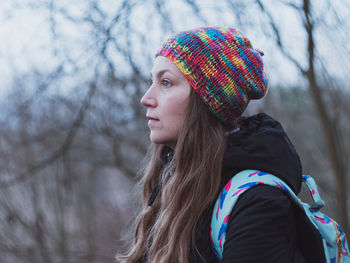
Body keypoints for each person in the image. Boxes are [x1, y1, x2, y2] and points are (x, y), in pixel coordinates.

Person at [121, 27, 315, 263]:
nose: (146, 98)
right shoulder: (172, 184)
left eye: (166, 83)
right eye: (152, 81)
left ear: (206, 101)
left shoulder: (257, 204)